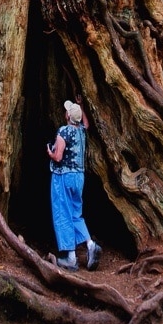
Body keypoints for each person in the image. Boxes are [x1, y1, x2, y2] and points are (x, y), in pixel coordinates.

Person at [46, 98, 102, 271]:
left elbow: (58, 157)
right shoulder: (81, 132)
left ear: (69, 116)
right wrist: (82, 107)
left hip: (63, 177)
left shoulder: (64, 131)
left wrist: (50, 152)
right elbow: (86, 122)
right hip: (79, 177)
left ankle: (71, 258)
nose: (66, 112)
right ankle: (91, 245)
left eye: (68, 110)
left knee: (63, 213)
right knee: (76, 214)